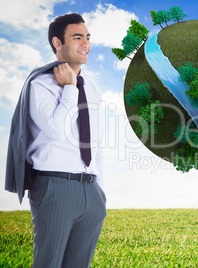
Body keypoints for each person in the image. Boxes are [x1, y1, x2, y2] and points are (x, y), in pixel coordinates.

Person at [5, 13, 106, 267]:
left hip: (91, 191)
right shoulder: (41, 85)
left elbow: (96, 144)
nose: (85, 43)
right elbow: (56, 131)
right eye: (77, 37)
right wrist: (70, 88)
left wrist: (100, 191)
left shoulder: (93, 89)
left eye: (87, 37)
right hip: (54, 186)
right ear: (57, 43)